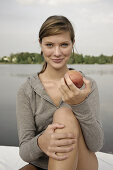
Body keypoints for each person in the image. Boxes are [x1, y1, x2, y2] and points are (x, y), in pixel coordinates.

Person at [16, 15, 104, 170]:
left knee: (64, 114)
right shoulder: (27, 90)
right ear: (40, 44)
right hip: (42, 164)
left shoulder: (87, 85)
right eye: (49, 45)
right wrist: (41, 142)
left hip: (82, 163)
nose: (57, 53)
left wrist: (79, 105)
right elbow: (24, 152)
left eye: (64, 44)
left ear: (72, 44)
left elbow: (96, 144)